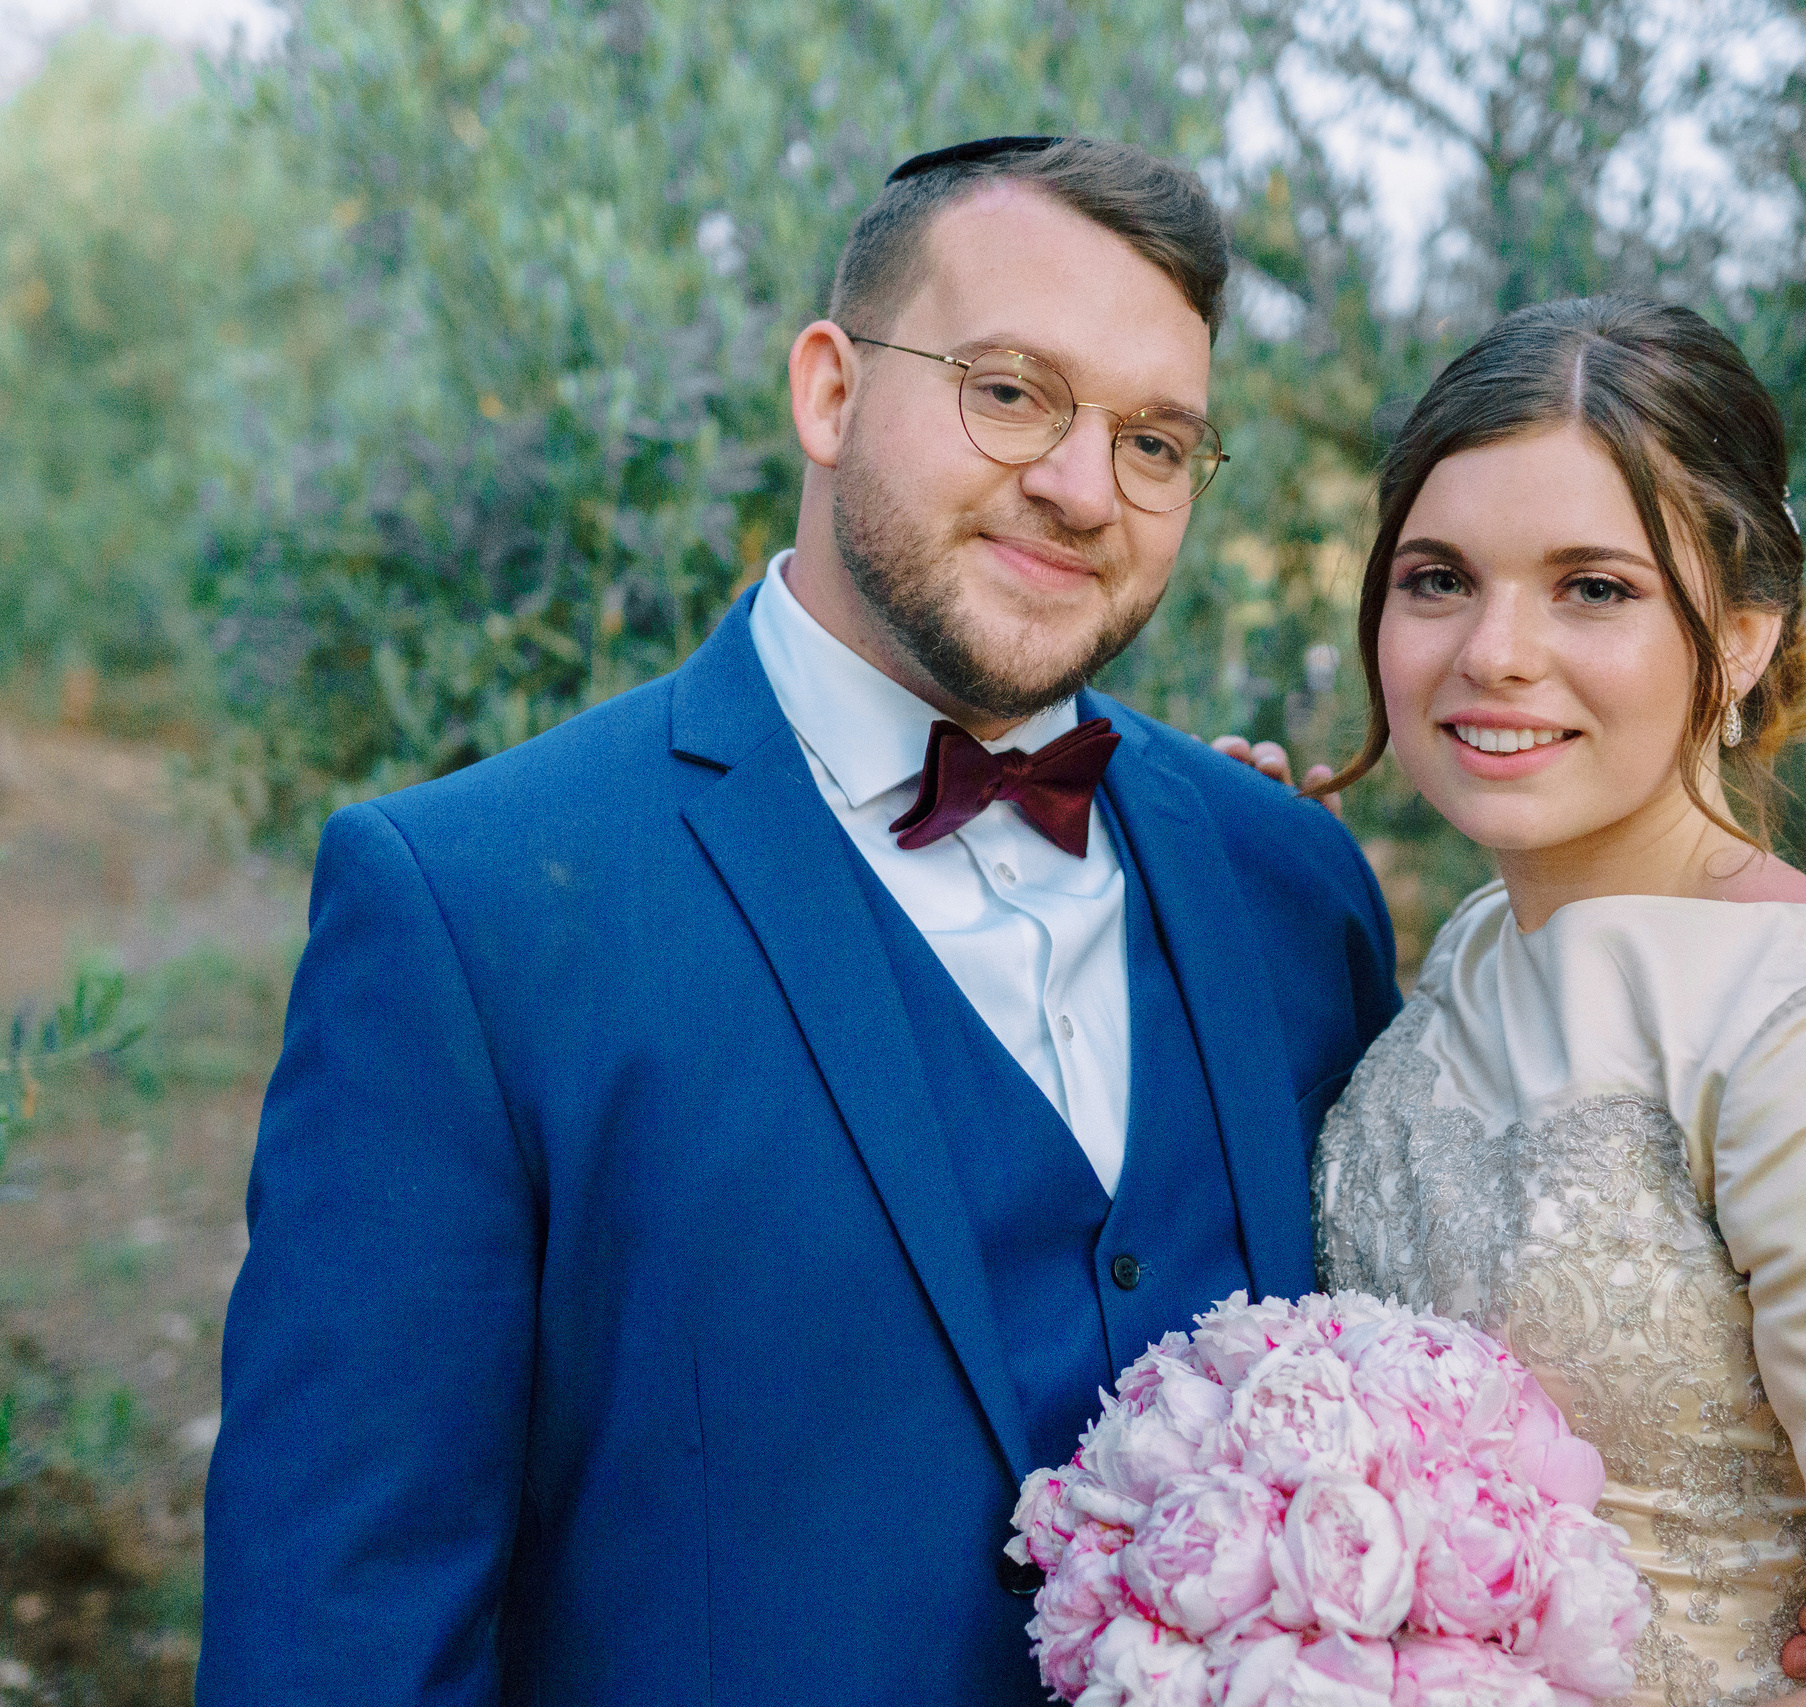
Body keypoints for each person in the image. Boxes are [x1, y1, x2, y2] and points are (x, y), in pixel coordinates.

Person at [195, 137, 1402, 1704]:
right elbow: (339, 1632)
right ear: (830, 391)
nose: (1082, 488)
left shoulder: (1288, 888)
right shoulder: (470, 914)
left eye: (1157, 442)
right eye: (1011, 391)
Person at [1309, 297, 1806, 1707]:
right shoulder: (1468, 956)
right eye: (1439, 578)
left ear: (1746, 635)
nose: (1496, 651)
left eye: (1595, 587)